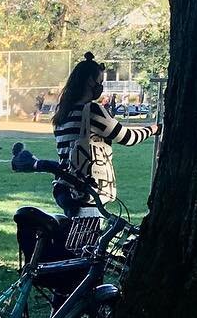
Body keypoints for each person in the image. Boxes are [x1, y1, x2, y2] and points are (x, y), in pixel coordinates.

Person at [52, 52, 157, 207]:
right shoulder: (92, 111)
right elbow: (128, 137)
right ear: (89, 81)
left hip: (65, 187)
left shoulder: (62, 113)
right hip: (88, 188)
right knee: (91, 230)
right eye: (100, 82)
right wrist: (154, 129)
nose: (101, 87)